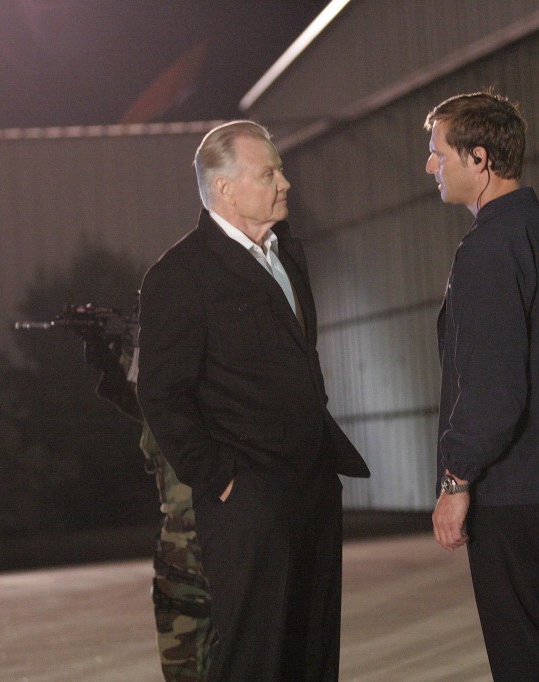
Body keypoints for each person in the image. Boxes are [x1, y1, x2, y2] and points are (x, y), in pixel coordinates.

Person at [137, 120, 370, 681]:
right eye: (269, 172)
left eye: (281, 169)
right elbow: (162, 393)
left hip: (312, 486)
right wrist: (220, 479)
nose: (285, 182)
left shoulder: (286, 253)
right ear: (225, 189)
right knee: (256, 660)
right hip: (249, 500)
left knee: (312, 655)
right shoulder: (180, 275)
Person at [425, 90, 539, 681]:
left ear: (478, 158)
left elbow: (491, 386)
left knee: (526, 651)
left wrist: (456, 478)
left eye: (438, 153)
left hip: (514, 483)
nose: (431, 166)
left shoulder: (488, 248)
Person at [81, 332, 212, 682]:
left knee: (191, 661)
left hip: (202, 526)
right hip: (189, 529)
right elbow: (154, 409)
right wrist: (114, 366)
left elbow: (169, 405)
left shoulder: (198, 351)